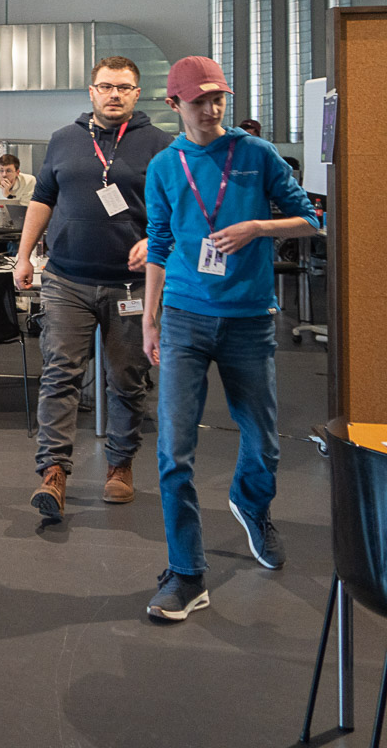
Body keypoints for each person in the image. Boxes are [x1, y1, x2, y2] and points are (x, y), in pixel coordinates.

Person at [142, 56, 319, 622]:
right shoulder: (164, 166)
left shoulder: (256, 154)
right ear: (175, 105)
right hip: (184, 317)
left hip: (248, 319)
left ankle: (250, 502)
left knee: (263, 441)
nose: (211, 109)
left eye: (218, 98)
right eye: (199, 101)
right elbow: (159, 242)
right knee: (174, 451)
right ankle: (186, 573)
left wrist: (258, 227)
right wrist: (149, 318)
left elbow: (311, 219)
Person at [14, 56, 172, 522]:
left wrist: (155, 242)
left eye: (123, 87)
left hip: (132, 285)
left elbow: (177, 210)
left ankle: (119, 465)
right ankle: (53, 473)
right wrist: (24, 255)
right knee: (60, 375)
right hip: (67, 279)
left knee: (127, 379)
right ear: (91, 91)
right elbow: (42, 198)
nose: (114, 94)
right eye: (106, 86)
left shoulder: (161, 145)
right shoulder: (64, 139)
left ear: (137, 93)